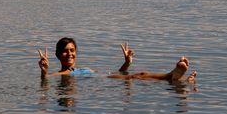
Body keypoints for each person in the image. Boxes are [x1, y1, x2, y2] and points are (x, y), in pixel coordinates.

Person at [37, 38, 196, 82]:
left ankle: (179, 79)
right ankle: (171, 75)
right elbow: (48, 78)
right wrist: (44, 72)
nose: (69, 54)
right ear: (58, 55)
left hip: (108, 77)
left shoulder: (82, 69)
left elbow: (118, 73)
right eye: (65, 51)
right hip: (105, 81)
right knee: (139, 75)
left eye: (72, 50)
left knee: (137, 75)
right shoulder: (63, 74)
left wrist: (127, 62)